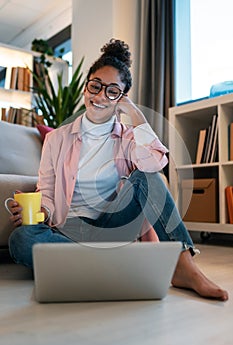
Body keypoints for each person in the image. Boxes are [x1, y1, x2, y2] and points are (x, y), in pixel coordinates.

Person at [7, 39, 228, 301]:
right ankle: (113, 264)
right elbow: (47, 189)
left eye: (112, 91)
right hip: (70, 231)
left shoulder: (128, 136)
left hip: (113, 228)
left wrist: (136, 116)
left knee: (146, 176)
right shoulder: (57, 139)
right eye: (95, 86)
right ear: (86, 86)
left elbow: (155, 164)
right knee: (21, 239)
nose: (100, 96)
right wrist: (42, 210)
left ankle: (183, 267)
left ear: (121, 98)